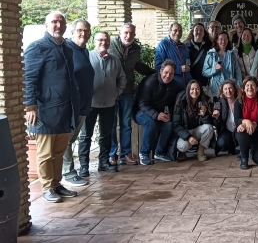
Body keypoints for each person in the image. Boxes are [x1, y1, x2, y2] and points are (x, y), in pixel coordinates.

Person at [23, 11, 81, 203]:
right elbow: (28, 79)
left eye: (61, 22)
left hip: (65, 109)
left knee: (59, 151)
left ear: (65, 26)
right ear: (46, 26)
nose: (58, 25)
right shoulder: (37, 48)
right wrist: (30, 106)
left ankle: (56, 184)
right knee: (46, 153)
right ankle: (47, 187)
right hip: (46, 110)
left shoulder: (66, 48)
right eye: (54, 22)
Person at [79, 31, 126, 175]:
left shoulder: (115, 60)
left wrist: (116, 93)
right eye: (100, 40)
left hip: (109, 104)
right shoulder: (87, 57)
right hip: (90, 105)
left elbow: (122, 78)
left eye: (106, 40)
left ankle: (104, 163)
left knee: (106, 135)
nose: (103, 43)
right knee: (86, 135)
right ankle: (84, 166)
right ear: (94, 41)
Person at [109, 23, 153, 166]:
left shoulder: (136, 49)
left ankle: (125, 154)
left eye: (131, 33)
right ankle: (112, 154)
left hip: (127, 91)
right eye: (126, 33)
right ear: (120, 33)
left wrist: (154, 73)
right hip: (112, 92)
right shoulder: (111, 45)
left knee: (126, 124)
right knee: (111, 124)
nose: (128, 36)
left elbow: (138, 65)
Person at [62, 19, 95, 187]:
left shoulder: (84, 51)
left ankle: (63, 171)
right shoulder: (66, 50)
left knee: (71, 139)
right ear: (72, 32)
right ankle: (68, 173)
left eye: (87, 31)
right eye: (80, 30)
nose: (84, 34)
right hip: (71, 105)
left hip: (84, 105)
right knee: (66, 139)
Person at [135, 60, 185, 165]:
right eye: (166, 72)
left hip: (159, 113)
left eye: (171, 73)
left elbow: (184, 92)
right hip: (141, 112)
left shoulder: (174, 84)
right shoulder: (150, 82)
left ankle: (159, 152)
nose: (168, 76)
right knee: (151, 123)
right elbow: (142, 104)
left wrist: (169, 113)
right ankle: (144, 153)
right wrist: (156, 115)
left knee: (169, 125)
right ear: (161, 71)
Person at [235, 76, 258, 169]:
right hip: (244, 132)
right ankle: (244, 157)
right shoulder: (238, 101)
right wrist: (245, 122)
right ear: (243, 88)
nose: (250, 88)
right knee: (241, 131)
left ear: (257, 88)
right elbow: (237, 119)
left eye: (252, 85)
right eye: (247, 85)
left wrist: (252, 124)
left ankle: (252, 150)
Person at [172, 80, 214, 162]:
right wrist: (188, 137)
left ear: (200, 90)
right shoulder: (181, 101)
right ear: (188, 90)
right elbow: (176, 125)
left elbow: (210, 122)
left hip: (198, 130)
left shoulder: (204, 100)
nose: (195, 91)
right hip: (186, 131)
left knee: (209, 128)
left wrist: (204, 115)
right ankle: (182, 152)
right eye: (192, 89)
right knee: (182, 146)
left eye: (197, 89)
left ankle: (201, 150)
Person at [212, 80, 239, 156]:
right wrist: (216, 118)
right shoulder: (218, 102)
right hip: (226, 129)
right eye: (226, 89)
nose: (228, 91)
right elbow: (216, 124)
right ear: (222, 91)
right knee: (222, 142)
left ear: (234, 89)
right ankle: (231, 148)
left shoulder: (240, 101)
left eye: (230, 88)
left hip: (239, 128)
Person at [185, 23, 213, 90]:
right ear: (193, 32)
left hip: (205, 82)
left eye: (201, 30)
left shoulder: (209, 46)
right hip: (190, 81)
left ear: (204, 33)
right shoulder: (185, 46)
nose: (199, 32)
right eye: (196, 30)